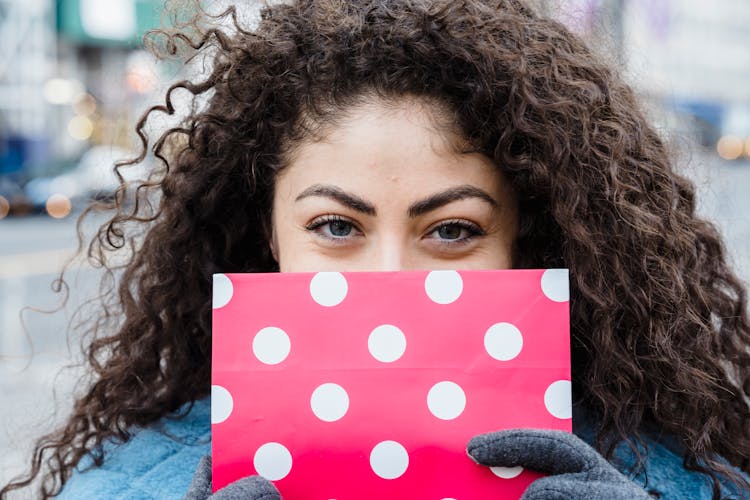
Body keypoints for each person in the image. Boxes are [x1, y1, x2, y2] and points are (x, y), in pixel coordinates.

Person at [2, 0, 750, 498]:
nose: (388, 278)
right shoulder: (128, 482)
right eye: (335, 227)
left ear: (529, 240)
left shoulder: (675, 474)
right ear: (267, 234)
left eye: (453, 230)